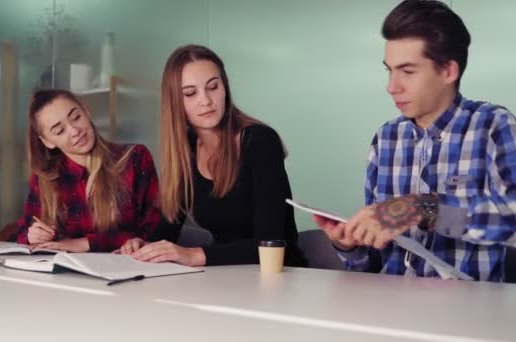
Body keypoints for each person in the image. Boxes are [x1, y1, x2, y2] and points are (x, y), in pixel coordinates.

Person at [315, 0, 516, 282]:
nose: (391, 86)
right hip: (387, 306)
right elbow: (369, 266)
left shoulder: (492, 125)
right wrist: (348, 245)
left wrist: (423, 208)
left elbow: (512, 220)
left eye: (408, 72)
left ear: (448, 71)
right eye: (389, 70)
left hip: (466, 314)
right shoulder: (386, 138)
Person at [119, 45, 307, 267]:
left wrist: (192, 255)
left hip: (280, 277)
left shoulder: (260, 140)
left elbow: (270, 243)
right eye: (190, 93)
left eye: (213, 87)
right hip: (226, 278)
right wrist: (144, 246)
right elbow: (168, 229)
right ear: (175, 103)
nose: (205, 100)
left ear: (224, 88)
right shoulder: (187, 149)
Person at [13, 89, 161, 252]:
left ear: (86, 111)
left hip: (129, 270)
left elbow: (155, 233)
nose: (75, 131)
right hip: (65, 273)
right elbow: (23, 231)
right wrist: (32, 235)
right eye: (59, 131)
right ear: (48, 142)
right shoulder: (45, 177)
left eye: (76, 117)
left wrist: (85, 243)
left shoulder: (135, 158)